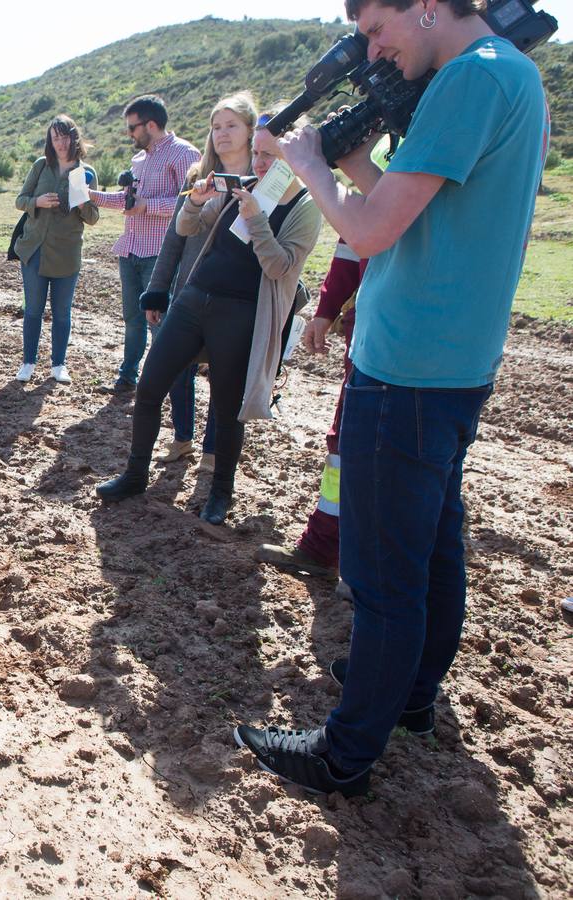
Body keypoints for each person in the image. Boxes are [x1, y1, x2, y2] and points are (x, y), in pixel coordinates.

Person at [234, 0, 548, 796]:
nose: (373, 48)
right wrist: (356, 162)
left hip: (407, 363)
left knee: (382, 579)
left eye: (379, 28)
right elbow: (410, 213)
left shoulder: (467, 82)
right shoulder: (507, 76)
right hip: (450, 360)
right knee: (434, 547)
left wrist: (308, 166)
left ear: (432, 7)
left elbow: (369, 234)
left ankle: (344, 754)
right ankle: (409, 696)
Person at [96, 112, 323, 525]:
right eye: (256, 153)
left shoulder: (305, 208)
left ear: (295, 158)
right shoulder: (244, 185)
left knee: (226, 408)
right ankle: (134, 474)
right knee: (148, 387)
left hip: (241, 312)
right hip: (194, 297)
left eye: (269, 156)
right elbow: (186, 227)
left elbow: (280, 267)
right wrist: (195, 202)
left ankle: (220, 494)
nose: (258, 164)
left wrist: (255, 217)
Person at [137, 91, 259, 467]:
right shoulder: (197, 177)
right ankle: (182, 439)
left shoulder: (264, 182)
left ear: (250, 130)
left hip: (237, 300)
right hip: (189, 293)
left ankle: (212, 450)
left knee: (224, 380)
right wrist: (157, 290)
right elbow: (175, 237)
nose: (222, 134)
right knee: (174, 371)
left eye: (231, 125)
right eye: (216, 126)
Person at [255, 238, 368, 585]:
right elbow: (352, 244)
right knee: (344, 445)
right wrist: (327, 309)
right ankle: (324, 546)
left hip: (404, 340)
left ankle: (365, 566)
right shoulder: (377, 188)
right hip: (368, 334)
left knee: (378, 449)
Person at [89, 95, 200, 395]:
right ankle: (128, 378)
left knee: (159, 325)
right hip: (131, 250)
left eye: (132, 128)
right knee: (133, 319)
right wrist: (91, 195)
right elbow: (127, 201)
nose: (129, 134)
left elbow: (189, 202)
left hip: (161, 256)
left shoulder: (184, 154)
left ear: (151, 124)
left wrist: (146, 206)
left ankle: (162, 384)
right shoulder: (138, 160)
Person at [12, 114, 99, 385]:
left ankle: (58, 365)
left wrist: (82, 201)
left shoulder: (86, 173)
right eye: (55, 137)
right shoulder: (41, 166)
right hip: (35, 249)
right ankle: (28, 362)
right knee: (33, 310)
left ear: (74, 137)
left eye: (64, 137)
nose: (60, 143)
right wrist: (37, 201)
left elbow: (93, 217)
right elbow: (20, 200)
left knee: (62, 312)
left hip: (67, 252)